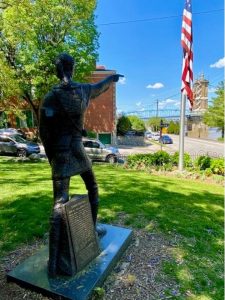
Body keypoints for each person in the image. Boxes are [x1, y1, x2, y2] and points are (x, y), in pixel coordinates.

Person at [39, 53, 122, 277]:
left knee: (59, 201)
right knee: (92, 187)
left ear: (58, 71)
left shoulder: (51, 97)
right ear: (72, 69)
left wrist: (52, 157)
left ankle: (53, 263)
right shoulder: (83, 90)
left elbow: (44, 132)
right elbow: (101, 87)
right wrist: (112, 79)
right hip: (77, 149)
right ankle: (92, 229)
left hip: (62, 153)